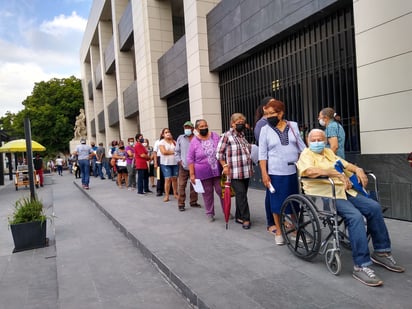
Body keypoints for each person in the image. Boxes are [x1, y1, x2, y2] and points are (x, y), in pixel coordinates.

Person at [297, 129, 405, 287]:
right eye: (313, 140)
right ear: (308, 141)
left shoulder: (328, 152)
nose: (317, 142)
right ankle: (361, 265)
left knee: (374, 207)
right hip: (326, 193)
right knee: (355, 217)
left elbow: (346, 165)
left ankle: (381, 252)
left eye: (320, 139)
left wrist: (358, 169)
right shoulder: (306, 154)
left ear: (325, 140)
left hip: (345, 190)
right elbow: (310, 171)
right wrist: (335, 173)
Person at [258, 99, 306, 245]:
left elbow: (301, 147)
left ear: (281, 113)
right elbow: (262, 154)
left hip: (292, 171)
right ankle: (279, 231)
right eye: (266, 114)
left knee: (294, 203)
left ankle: (296, 229)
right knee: (277, 204)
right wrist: (264, 174)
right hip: (275, 173)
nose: (268, 117)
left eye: (271, 113)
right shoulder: (264, 130)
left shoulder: (293, 126)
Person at [216, 113, 253, 229]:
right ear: (232, 124)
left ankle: (239, 216)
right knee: (241, 195)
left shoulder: (242, 136)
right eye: (238, 123)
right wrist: (225, 166)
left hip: (246, 170)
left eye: (242, 122)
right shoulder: (226, 136)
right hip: (234, 172)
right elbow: (219, 153)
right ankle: (246, 219)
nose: (241, 124)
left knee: (241, 195)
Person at [187, 119, 222, 220]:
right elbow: (190, 158)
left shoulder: (215, 136)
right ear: (197, 129)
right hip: (202, 172)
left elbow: (221, 149)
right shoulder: (194, 141)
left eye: (205, 125)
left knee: (221, 191)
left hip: (217, 170)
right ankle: (209, 213)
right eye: (201, 127)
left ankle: (226, 210)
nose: (204, 128)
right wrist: (192, 174)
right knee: (207, 193)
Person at [254, 96, 276, 233]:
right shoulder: (262, 124)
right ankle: (271, 222)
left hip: (278, 164)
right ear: (264, 108)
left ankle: (278, 219)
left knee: (276, 192)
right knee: (271, 192)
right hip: (268, 163)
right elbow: (263, 147)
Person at [175, 121, 200, 212]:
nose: (187, 129)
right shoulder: (180, 138)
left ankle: (193, 202)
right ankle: (181, 203)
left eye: (188, 127)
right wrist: (179, 161)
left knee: (194, 184)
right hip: (184, 166)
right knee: (181, 185)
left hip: (195, 166)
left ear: (193, 129)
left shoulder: (197, 138)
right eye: (185, 127)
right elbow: (176, 151)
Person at [159, 128, 178, 202]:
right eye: (166, 132)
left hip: (175, 163)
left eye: (169, 132)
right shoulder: (161, 142)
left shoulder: (174, 142)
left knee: (175, 179)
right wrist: (174, 152)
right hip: (165, 163)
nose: (168, 133)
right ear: (163, 134)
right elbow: (164, 152)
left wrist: (171, 151)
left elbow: (178, 151)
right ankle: (166, 195)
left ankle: (175, 193)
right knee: (168, 179)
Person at [153, 132, 165, 196]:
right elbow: (155, 152)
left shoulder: (170, 141)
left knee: (167, 175)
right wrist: (155, 162)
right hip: (159, 159)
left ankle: (168, 189)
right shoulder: (157, 142)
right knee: (159, 175)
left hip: (167, 159)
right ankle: (159, 190)